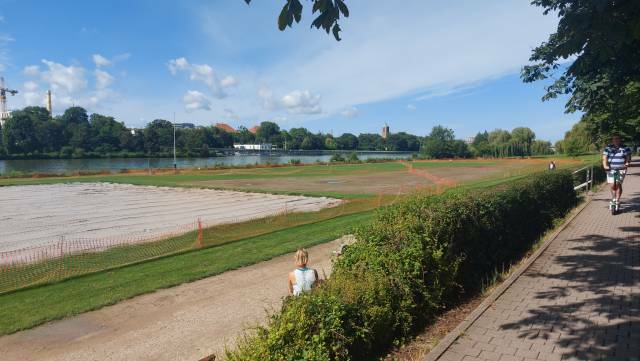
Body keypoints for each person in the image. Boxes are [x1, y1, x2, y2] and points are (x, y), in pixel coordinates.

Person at [602, 134, 631, 210]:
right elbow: (604, 158)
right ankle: (614, 198)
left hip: (621, 169)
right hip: (610, 169)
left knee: (617, 184)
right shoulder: (608, 148)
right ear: (612, 140)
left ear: (620, 139)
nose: (616, 140)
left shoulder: (625, 148)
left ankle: (617, 200)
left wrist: (627, 163)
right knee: (612, 185)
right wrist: (605, 166)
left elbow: (628, 157)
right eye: (614, 139)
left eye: (617, 139)